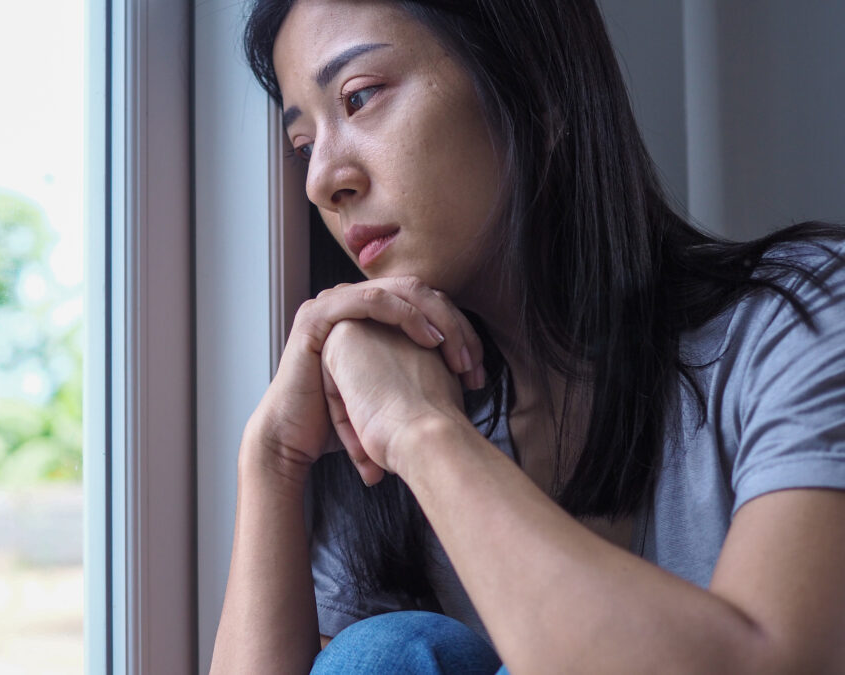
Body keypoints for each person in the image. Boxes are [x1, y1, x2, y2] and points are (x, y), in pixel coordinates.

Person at [210, 0, 845, 672]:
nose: (321, 181)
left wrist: (426, 435)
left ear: (536, 89)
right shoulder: (371, 417)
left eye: (361, 98)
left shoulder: (798, 316)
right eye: (304, 145)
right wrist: (273, 458)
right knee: (384, 653)